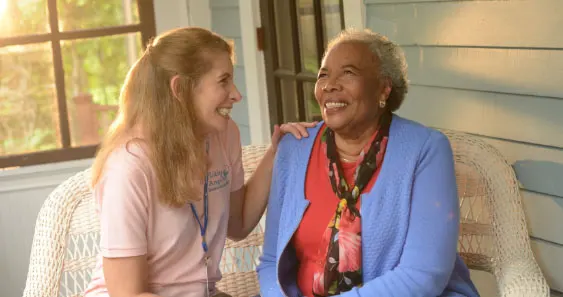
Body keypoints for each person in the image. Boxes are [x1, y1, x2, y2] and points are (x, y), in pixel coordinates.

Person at [82, 27, 313, 297]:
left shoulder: (224, 135)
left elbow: (238, 224)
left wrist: (276, 154)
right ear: (180, 89)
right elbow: (127, 293)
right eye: (223, 81)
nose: (236, 94)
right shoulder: (129, 168)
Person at [256, 28, 480, 297]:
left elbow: (424, 275)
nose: (330, 85)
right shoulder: (294, 149)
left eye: (348, 73)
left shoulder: (425, 150)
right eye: (323, 75)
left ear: (384, 88)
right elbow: (270, 262)